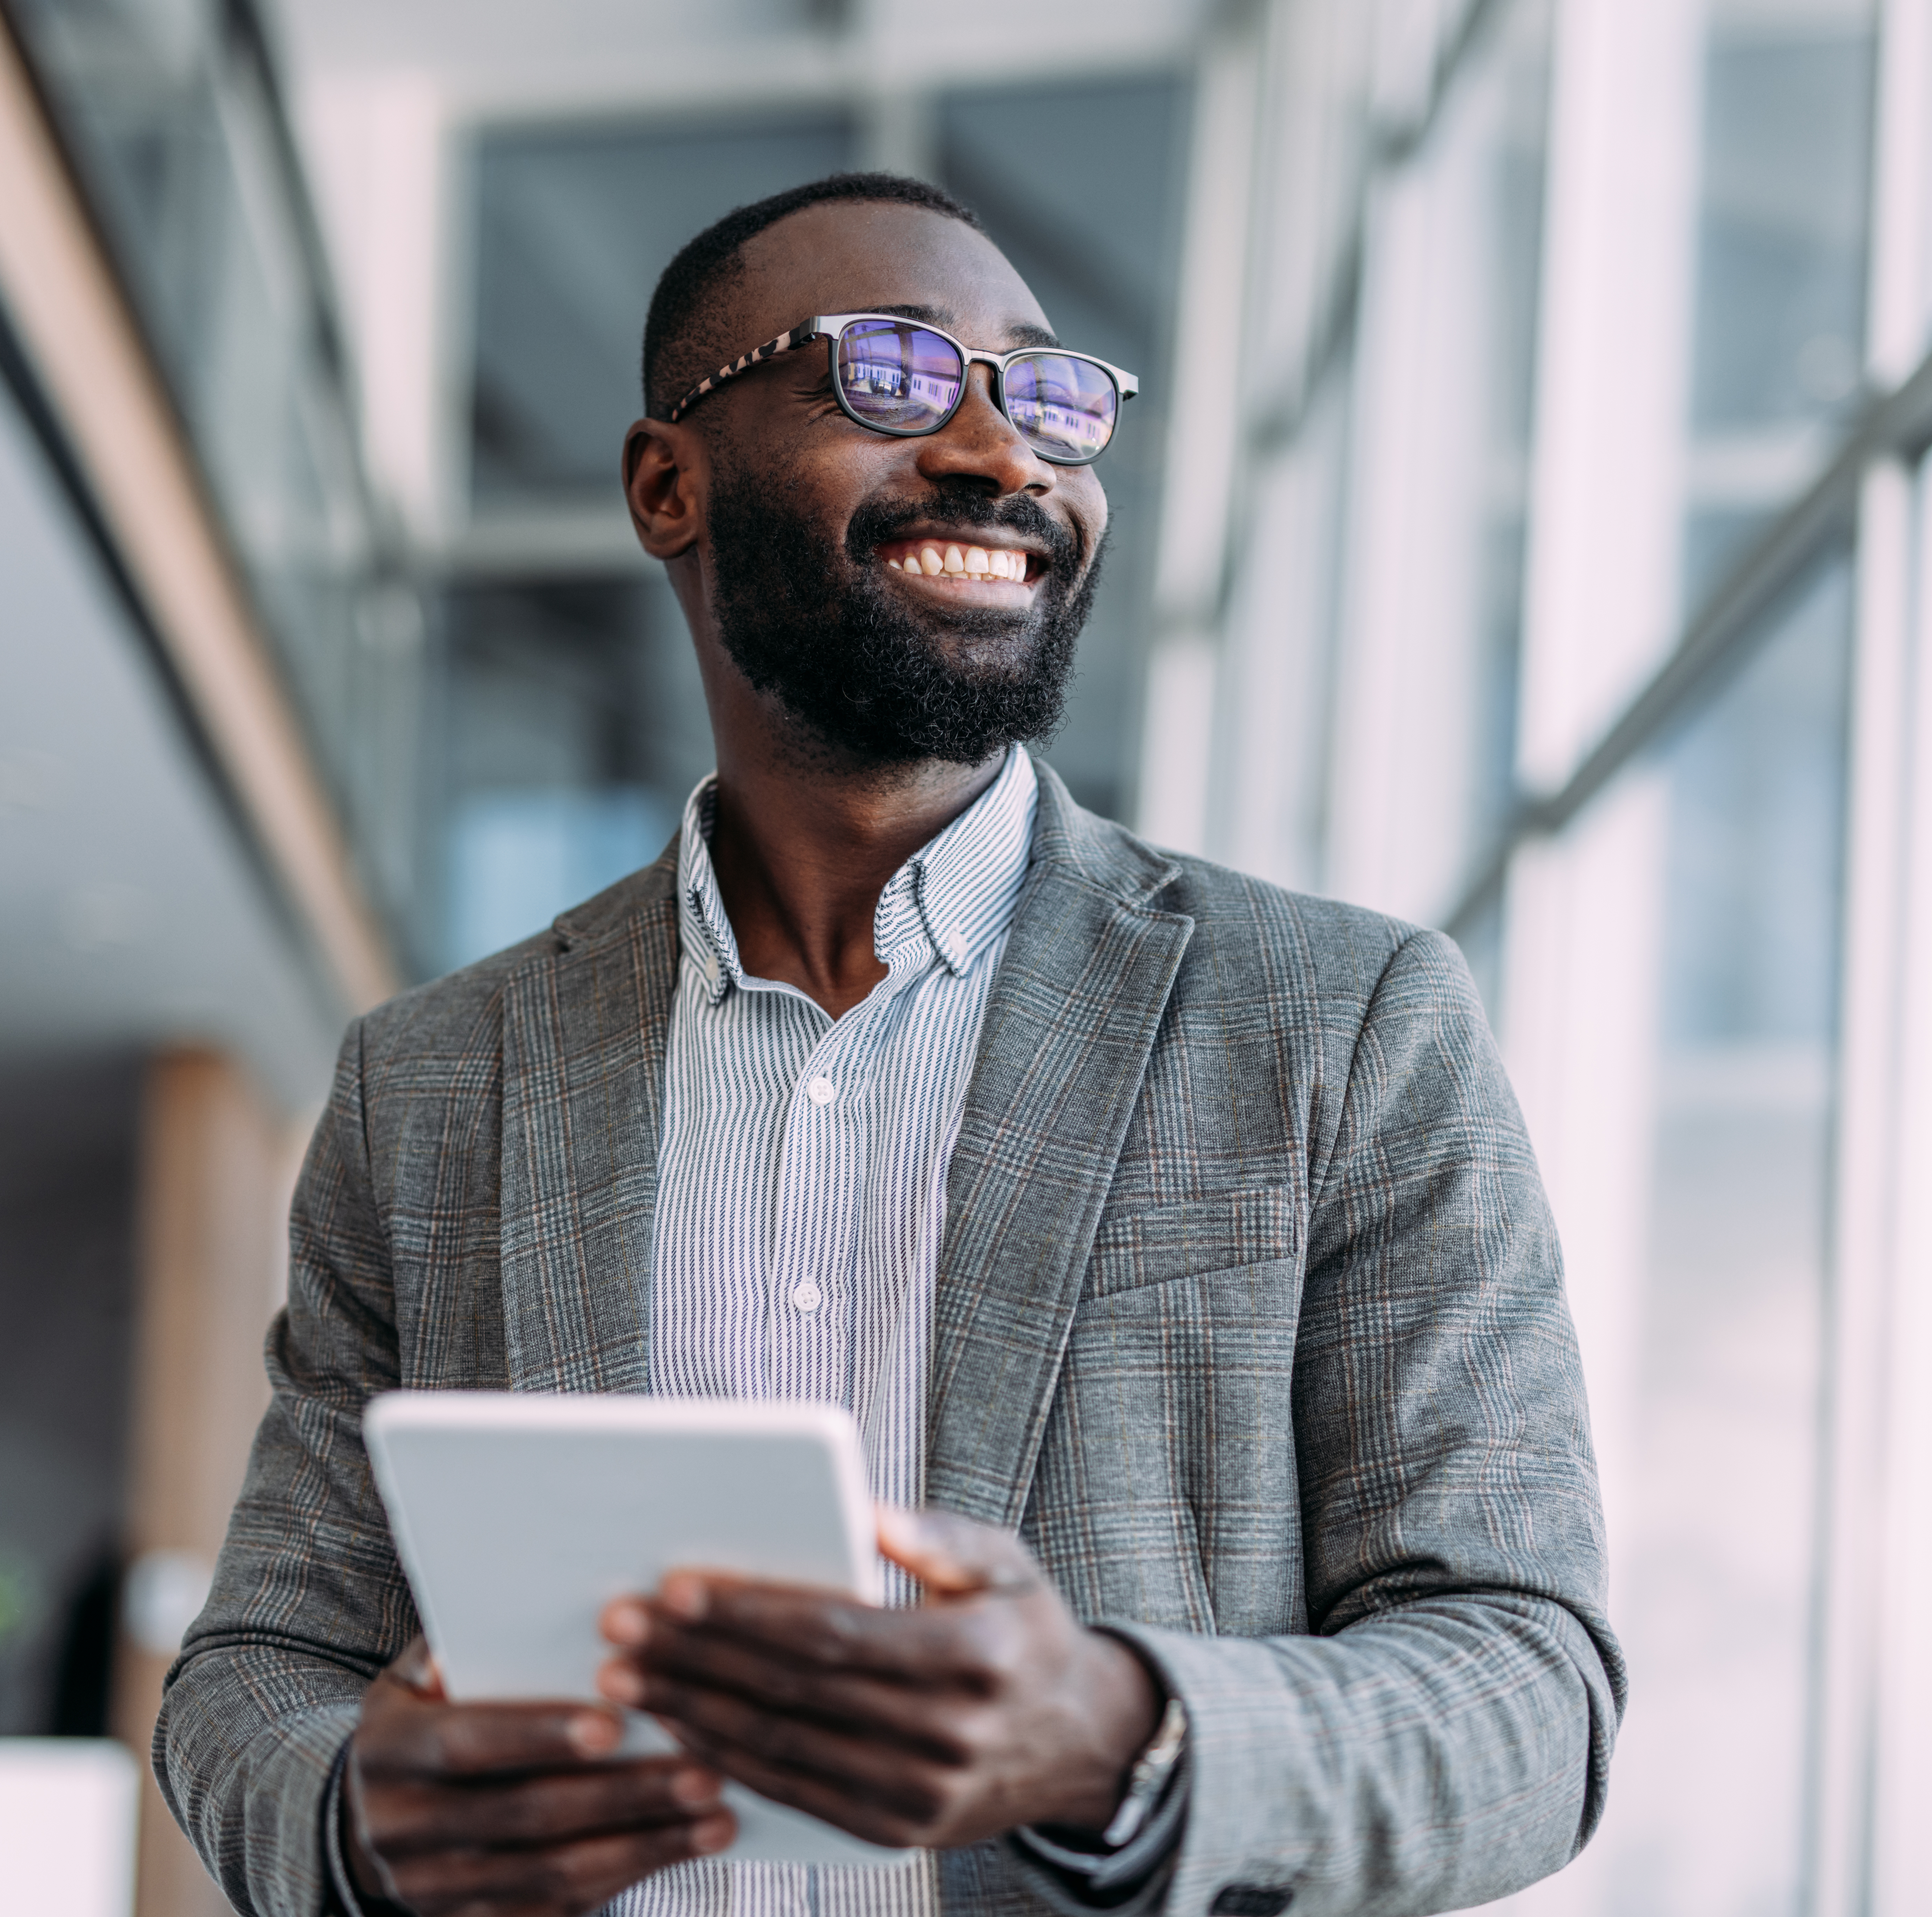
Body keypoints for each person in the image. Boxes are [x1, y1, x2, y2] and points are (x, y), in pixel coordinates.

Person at [155, 172, 1621, 1917]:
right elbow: (257, 1666)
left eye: (1049, 396)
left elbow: (1530, 1692)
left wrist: (1117, 1733)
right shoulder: (432, 1085)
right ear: (667, 485)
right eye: (893, 375)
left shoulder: (1340, 1023)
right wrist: (356, 1811)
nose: (1003, 455)